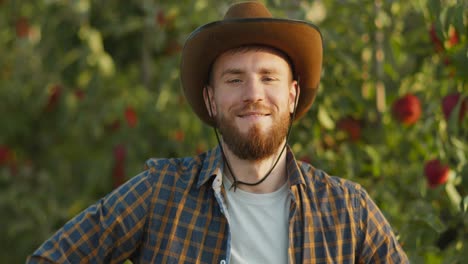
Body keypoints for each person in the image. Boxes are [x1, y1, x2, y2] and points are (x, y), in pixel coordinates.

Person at [27, 2, 409, 263]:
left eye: (268, 77)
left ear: (292, 96)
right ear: (210, 99)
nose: (253, 94)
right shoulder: (161, 192)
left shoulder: (348, 210)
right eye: (234, 79)